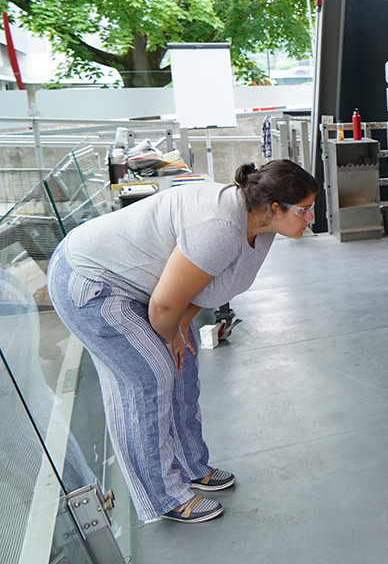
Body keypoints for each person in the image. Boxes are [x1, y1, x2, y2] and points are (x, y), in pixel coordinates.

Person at [46, 160, 318, 524]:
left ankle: (192, 466)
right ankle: (163, 497)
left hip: (144, 287)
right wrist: (170, 332)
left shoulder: (262, 227)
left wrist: (180, 329)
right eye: (304, 210)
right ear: (274, 208)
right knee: (149, 378)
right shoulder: (220, 227)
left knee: (183, 363)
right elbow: (163, 306)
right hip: (91, 281)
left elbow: (198, 287)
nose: (311, 218)